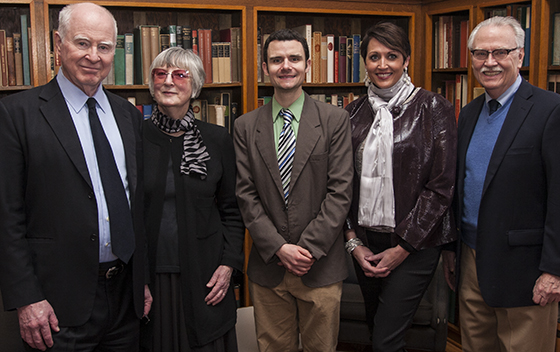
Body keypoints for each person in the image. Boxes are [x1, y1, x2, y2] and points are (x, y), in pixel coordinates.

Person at [0, 2, 151, 351]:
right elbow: (7, 216)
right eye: (82, 43)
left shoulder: (128, 115)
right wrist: (27, 299)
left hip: (125, 299)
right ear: (58, 44)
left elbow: (135, 204)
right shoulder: (16, 115)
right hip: (55, 305)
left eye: (104, 47)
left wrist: (140, 281)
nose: (93, 56)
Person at [442, 15, 560, 352]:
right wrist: (453, 250)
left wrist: (555, 269)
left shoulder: (550, 110)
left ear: (520, 56)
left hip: (526, 270)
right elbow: (460, 186)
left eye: (500, 52)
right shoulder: (469, 112)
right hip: (471, 260)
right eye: (480, 54)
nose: (489, 62)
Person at [233, 28, 353, 352]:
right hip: (268, 266)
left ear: (308, 65)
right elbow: (246, 194)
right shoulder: (245, 126)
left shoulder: (335, 120)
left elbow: (340, 191)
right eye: (276, 60)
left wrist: (307, 249)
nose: (285, 66)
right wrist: (279, 248)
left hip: (320, 266)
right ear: (265, 68)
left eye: (294, 58)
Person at [343, 22, 457, 352]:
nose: (382, 65)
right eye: (374, 56)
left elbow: (441, 186)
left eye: (391, 56)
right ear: (364, 61)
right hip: (365, 244)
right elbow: (340, 184)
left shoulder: (434, 107)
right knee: (376, 331)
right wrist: (353, 243)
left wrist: (403, 247)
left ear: (406, 59)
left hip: (415, 246)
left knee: (385, 340)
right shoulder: (352, 112)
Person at [141, 47, 244, 352]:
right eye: (161, 74)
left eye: (180, 74)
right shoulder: (134, 136)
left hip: (205, 275)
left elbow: (232, 210)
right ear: (152, 83)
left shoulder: (217, 139)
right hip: (150, 277)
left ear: (195, 85)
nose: (169, 81)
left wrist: (229, 265)